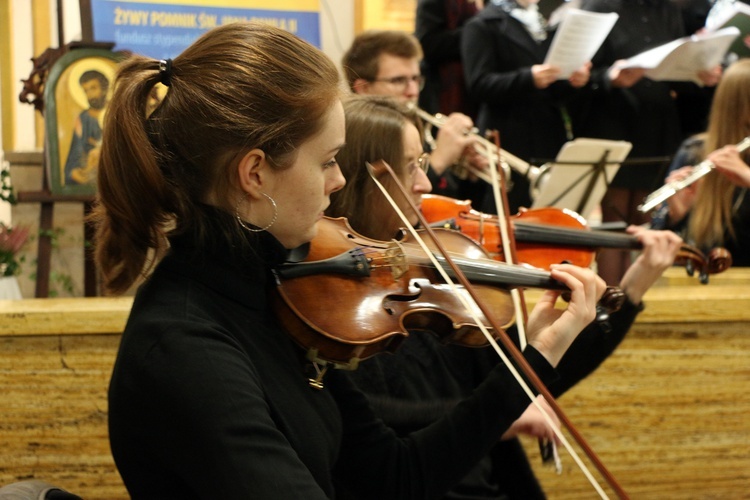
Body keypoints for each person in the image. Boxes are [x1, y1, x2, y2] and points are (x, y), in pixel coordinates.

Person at [94, 22, 609, 498]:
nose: (339, 181)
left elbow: (395, 476)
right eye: (326, 160)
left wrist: (535, 355)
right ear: (254, 174)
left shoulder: (281, 293)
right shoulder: (189, 349)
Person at [326, 94, 684, 498]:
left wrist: (626, 294)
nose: (425, 185)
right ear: (361, 178)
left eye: (423, 164)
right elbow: (383, 421)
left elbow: (521, 389)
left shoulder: (434, 277)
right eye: (410, 167)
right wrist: (505, 417)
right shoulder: (331, 305)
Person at [571, 0, 721, 284]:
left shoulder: (667, 10)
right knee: (615, 224)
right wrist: (609, 78)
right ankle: (612, 304)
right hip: (613, 123)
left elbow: (673, 71)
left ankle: (637, 301)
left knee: (649, 220)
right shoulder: (599, 6)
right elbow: (577, 75)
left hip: (657, 126)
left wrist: (700, 73)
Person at [461, 0, 592, 215]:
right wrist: (528, 78)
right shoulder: (482, 25)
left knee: (548, 211)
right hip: (508, 132)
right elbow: (478, 84)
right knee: (510, 210)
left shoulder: (540, 24)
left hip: (546, 133)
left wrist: (572, 81)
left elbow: (553, 88)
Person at [341, 29, 487, 202]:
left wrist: (469, 176)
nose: (413, 91)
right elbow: (384, 208)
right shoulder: (351, 139)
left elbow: (448, 207)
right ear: (363, 88)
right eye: (398, 81)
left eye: (416, 79)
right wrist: (437, 163)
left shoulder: (416, 129)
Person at [650, 58, 750, 266]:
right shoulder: (695, 151)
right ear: (737, 104)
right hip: (710, 281)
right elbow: (661, 244)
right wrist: (676, 216)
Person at [415, 0, 483, 118]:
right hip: (445, 90)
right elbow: (428, 44)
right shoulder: (433, 3)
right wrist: (476, 33)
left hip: (474, 88)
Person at [63, 69, 110, 185]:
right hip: (90, 170)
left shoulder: (116, 112)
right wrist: (74, 171)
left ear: (104, 88)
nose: (90, 95)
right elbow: (76, 152)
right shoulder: (83, 119)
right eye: (86, 91)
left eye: (93, 88)